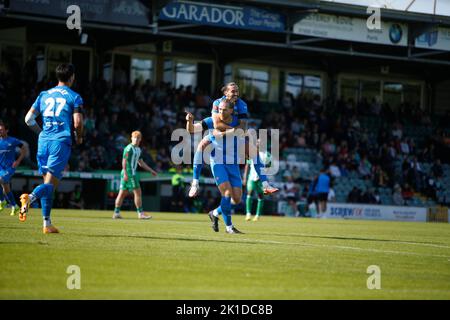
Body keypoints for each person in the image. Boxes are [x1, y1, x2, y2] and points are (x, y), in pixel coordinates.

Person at [20, 63, 84, 234]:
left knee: (47, 184)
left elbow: (28, 119)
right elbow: (77, 122)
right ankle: (29, 198)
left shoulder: (44, 94)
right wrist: (79, 136)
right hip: (60, 142)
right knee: (50, 184)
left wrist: (43, 133)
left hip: (43, 142)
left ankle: (46, 224)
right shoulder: (74, 96)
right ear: (72, 77)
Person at [188, 82, 278, 198]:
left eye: (237, 91)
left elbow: (242, 127)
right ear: (225, 93)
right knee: (201, 145)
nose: (236, 93)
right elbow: (217, 124)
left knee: (254, 151)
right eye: (233, 91)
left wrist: (230, 132)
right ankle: (195, 182)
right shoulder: (217, 103)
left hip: (231, 138)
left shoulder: (241, 104)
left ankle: (266, 185)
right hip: (218, 138)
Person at [206, 100, 244, 234]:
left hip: (232, 163)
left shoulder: (239, 121)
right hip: (218, 161)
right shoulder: (213, 120)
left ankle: (215, 213)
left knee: (237, 199)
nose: (221, 111)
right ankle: (229, 227)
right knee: (227, 193)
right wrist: (190, 122)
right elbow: (194, 128)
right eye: (220, 109)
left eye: (224, 109)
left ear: (232, 110)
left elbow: (242, 133)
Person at [113, 131, 158, 219]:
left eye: (138, 138)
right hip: (129, 173)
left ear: (140, 139)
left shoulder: (138, 149)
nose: (136, 140)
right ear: (131, 138)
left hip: (130, 173)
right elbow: (124, 161)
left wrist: (151, 170)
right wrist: (126, 173)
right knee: (138, 192)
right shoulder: (129, 148)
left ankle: (116, 212)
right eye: (134, 138)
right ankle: (140, 213)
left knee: (122, 193)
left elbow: (141, 163)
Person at [0, 121, 26, 216]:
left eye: (1, 130)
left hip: (10, 167)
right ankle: (14, 206)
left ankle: (2, 200)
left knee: (1, 180)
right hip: (0, 168)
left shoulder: (13, 141)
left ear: (7, 130)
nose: (0, 132)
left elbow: (24, 149)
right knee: (5, 187)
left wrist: (18, 161)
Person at [243, 139, 272, 222]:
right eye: (257, 142)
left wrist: (263, 174)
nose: (258, 143)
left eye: (260, 142)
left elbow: (269, 167)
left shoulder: (267, 155)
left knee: (260, 196)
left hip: (260, 179)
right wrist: (245, 177)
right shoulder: (252, 153)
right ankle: (248, 214)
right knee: (249, 193)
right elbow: (247, 165)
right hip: (251, 177)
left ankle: (257, 215)